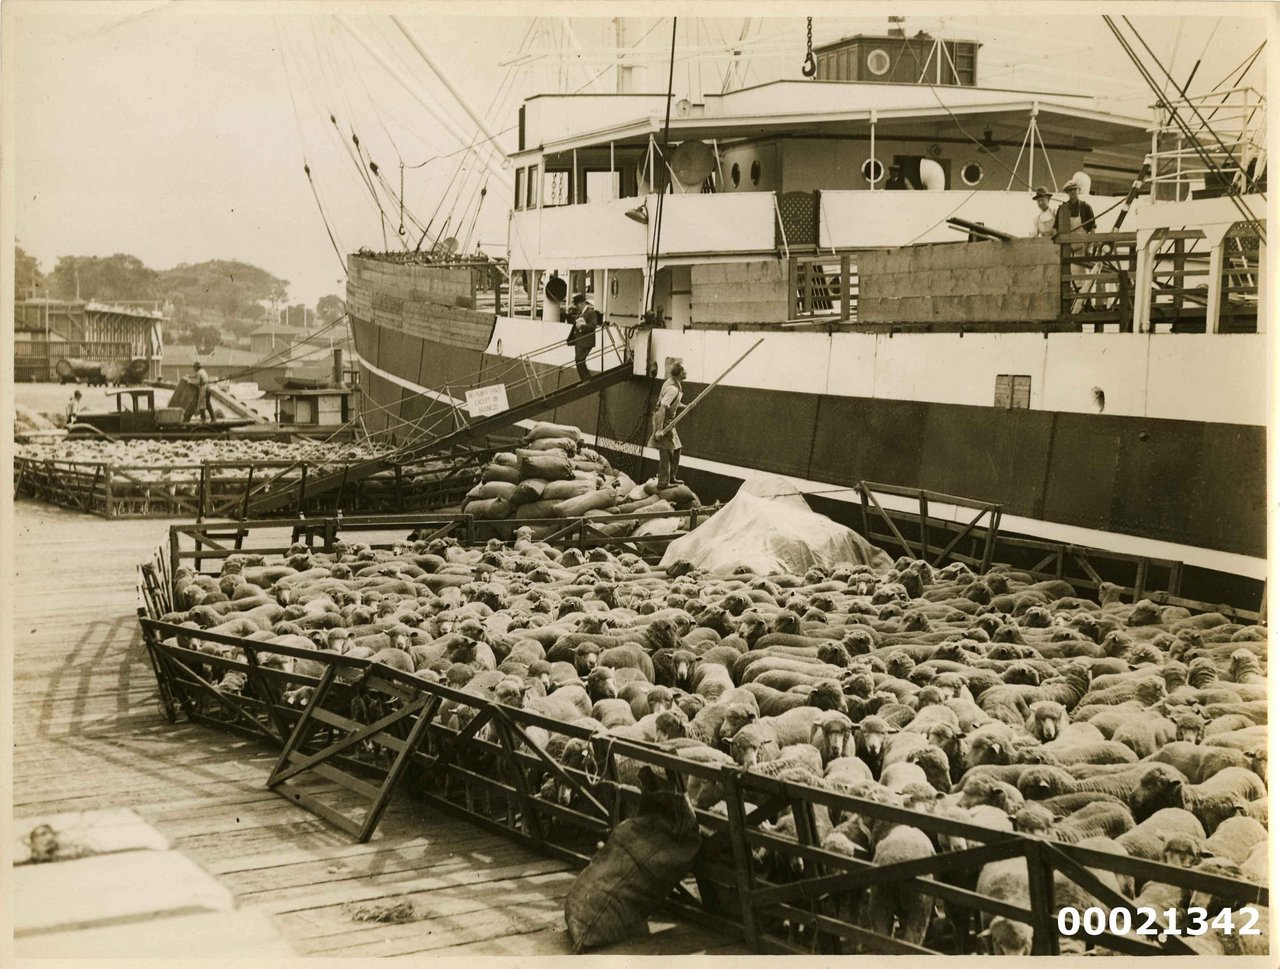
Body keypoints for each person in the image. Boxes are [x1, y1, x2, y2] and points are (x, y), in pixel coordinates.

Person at [1055, 179, 1097, 311]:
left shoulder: (1086, 207)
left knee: (1084, 277)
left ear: (1079, 190)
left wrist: (1090, 247)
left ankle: (1087, 306)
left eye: (1074, 190)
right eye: (1070, 191)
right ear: (1067, 193)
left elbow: (1093, 228)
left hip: (1082, 248)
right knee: (1069, 277)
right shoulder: (1063, 209)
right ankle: (1072, 307)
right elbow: (1056, 230)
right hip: (1067, 249)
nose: (1072, 192)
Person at [648, 361, 685, 488]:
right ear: (680, 373)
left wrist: (686, 406)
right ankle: (663, 482)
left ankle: (672, 477)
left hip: (669, 421)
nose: (686, 373)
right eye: (684, 371)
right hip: (662, 420)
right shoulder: (673, 389)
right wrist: (659, 430)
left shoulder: (674, 383)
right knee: (666, 450)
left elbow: (672, 403)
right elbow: (663, 408)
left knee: (677, 448)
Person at [567, 293, 598, 381]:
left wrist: (582, 326)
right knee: (579, 360)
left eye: (577, 306)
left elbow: (593, 325)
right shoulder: (581, 313)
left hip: (586, 341)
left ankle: (586, 379)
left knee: (579, 360)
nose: (577, 308)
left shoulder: (591, 313)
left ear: (582, 304)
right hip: (579, 341)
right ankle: (585, 379)